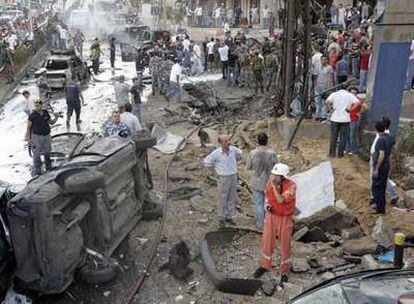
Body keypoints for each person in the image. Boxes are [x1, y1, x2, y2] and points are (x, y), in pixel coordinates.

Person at [253, 163, 296, 285]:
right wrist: (267, 205)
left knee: (285, 243)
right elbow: (267, 195)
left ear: (284, 177)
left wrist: (274, 187)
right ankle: (265, 265)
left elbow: (280, 200)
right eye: (273, 175)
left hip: (285, 217)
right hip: (272, 215)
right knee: (267, 240)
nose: (273, 177)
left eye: (276, 176)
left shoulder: (291, 186)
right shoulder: (270, 183)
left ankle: (284, 271)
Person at [203, 134, 242, 228]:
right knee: (222, 198)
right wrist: (214, 172)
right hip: (223, 177)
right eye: (225, 141)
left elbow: (240, 153)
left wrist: (237, 163)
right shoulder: (216, 153)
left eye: (228, 140)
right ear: (220, 143)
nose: (228, 142)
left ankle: (229, 216)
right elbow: (206, 162)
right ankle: (221, 217)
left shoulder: (233, 150)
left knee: (231, 197)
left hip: (233, 176)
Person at [246, 133, 277, 231]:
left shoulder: (252, 153)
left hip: (256, 181)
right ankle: (270, 224)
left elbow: (248, 167)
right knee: (269, 203)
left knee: (258, 203)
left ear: (257, 141)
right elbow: (277, 167)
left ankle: (260, 225)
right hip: (268, 182)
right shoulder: (272, 153)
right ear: (267, 141)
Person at [370, 117, 399, 206]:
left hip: (379, 160)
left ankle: (375, 198)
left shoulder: (384, 136)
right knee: (382, 179)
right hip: (381, 159)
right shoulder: (385, 134)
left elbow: (383, 153)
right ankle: (389, 196)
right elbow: (395, 147)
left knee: (377, 179)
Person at [27, 100, 60, 175]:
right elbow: (28, 128)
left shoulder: (45, 112)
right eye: (35, 105)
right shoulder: (32, 116)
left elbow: (51, 122)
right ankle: (38, 171)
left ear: (41, 106)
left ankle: (48, 167)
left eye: (38, 105)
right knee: (37, 154)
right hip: (37, 137)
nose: (37, 107)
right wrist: (29, 139)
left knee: (47, 152)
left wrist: (56, 117)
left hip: (47, 136)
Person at [325, 87, 358, 158]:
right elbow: (357, 103)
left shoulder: (334, 94)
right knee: (343, 137)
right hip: (345, 119)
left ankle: (332, 154)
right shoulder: (349, 95)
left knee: (334, 137)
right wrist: (351, 109)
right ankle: (340, 154)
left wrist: (329, 109)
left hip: (335, 118)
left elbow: (327, 101)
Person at [371, 120, 393, 214]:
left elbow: (381, 154)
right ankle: (381, 207)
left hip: (381, 166)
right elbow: (392, 151)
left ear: (376, 129)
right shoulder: (389, 137)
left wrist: (376, 168)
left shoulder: (380, 140)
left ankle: (379, 209)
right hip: (386, 165)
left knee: (376, 187)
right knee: (382, 187)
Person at [345, 87, 365, 155]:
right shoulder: (348, 100)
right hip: (347, 119)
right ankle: (347, 149)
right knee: (347, 135)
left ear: (356, 93)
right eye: (351, 92)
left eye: (354, 92)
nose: (352, 93)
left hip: (354, 119)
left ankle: (354, 150)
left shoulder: (358, 100)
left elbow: (365, 107)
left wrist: (359, 113)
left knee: (352, 135)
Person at [314, 55, 333, 122]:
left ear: (327, 60)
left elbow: (329, 78)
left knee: (324, 102)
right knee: (317, 102)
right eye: (322, 60)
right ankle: (317, 115)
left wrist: (329, 88)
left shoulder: (329, 68)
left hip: (325, 88)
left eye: (324, 60)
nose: (323, 61)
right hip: (318, 87)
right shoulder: (318, 67)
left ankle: (323, 115)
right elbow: (316, 76)